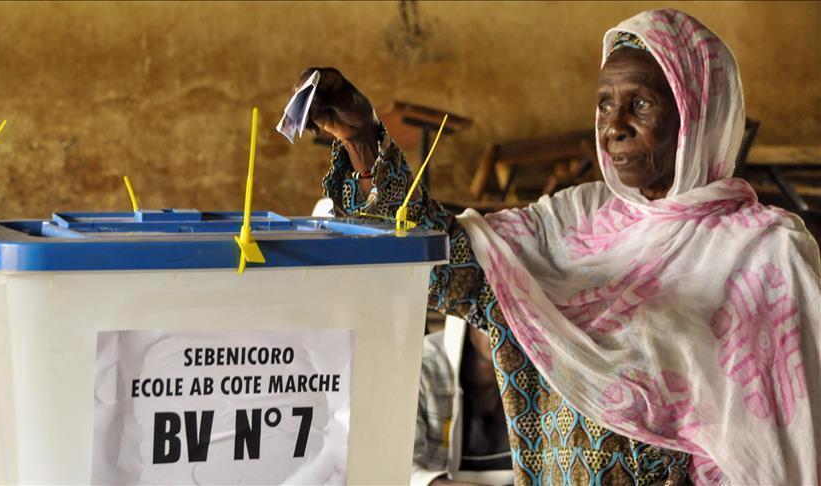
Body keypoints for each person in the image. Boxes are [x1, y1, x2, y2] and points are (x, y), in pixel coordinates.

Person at [292, 9, 821, 485]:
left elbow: (788, 438)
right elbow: (450, 266)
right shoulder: (577, 219)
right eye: (604, 104)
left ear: (697, 114)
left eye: (640, 103)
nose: (614, 127)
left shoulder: (767, 251)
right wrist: (363, 143)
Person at [413, 316, 513, 486]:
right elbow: (400, 469)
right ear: (465, 318)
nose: (499, 332)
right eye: (488, 319)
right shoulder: (422, 364)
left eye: (512, 321)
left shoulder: (545, 372)